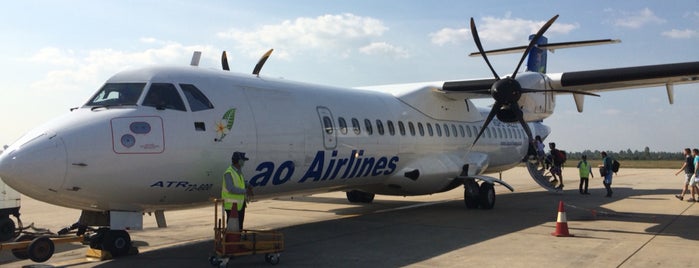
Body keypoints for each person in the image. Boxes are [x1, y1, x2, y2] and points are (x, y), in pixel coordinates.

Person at [222, 151, 254, 230]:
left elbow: (241, 182)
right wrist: (245, 191)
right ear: (239, 161)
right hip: (231, 206)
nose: (244, 162)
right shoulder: (229, 173)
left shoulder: (238, 171)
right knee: (233, 228)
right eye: (243, 160)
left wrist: (248, 185)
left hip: (239, 205)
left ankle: (238, 241)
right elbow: (231, 188)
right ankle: (232, 242)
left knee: (239, 227)